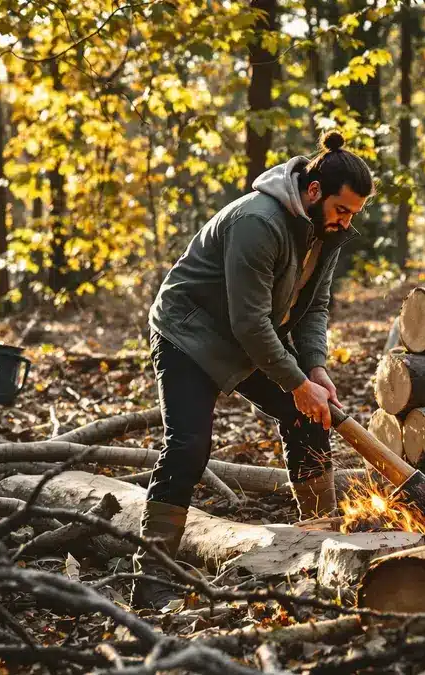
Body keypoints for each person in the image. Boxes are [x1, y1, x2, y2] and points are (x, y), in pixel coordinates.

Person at [131, 130, 375, 609]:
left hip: (247, 335)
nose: (346, 223)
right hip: (189, 335)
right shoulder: (256, 222)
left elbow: (313, 306)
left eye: (353, 215)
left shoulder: (327, 233)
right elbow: (249, 322)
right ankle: (151, 579)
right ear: (312, 192)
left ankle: (320, 542)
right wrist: (296, 382)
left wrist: (315, 369)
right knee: (188, 446)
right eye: (342, 210)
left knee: (311, 415)